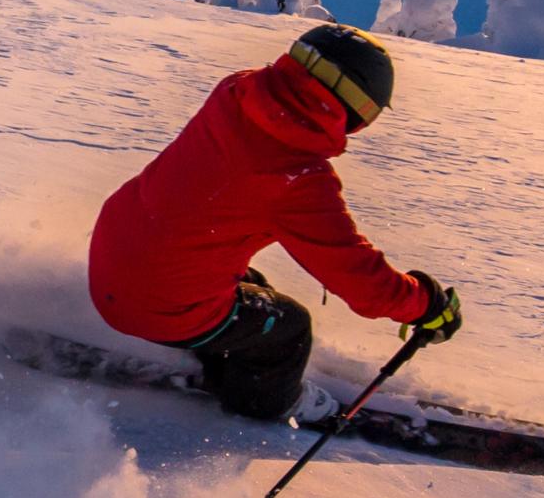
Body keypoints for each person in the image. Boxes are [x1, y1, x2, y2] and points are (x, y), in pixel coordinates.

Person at [88, 23, 463, 424]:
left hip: (116, 249)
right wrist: (425, 304)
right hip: (154, 300)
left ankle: (220, 355)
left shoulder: (237, 91)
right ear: (354, 108)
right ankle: (271, 402)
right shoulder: (297, 177)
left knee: (256, 288)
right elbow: (360, 280)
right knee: (291, 328)